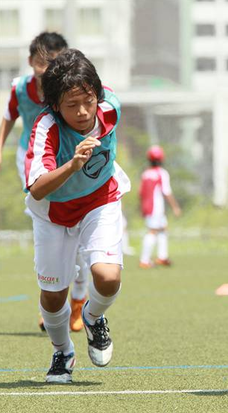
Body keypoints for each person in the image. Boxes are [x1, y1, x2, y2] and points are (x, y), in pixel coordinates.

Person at [25, 49, 131, 382]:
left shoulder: (110, 106)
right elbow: (38, 188)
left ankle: (93, 316)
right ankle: (62, 352)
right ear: (55, 106)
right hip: (53, 215)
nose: (83, 112)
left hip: (101, 200)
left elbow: (94, 93)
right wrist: (73, 163)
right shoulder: (46, 128)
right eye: (71, 106)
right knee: (54, 294)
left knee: (108, 276)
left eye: (88, 100)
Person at [0, 32, 90, 333]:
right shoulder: (20, 89)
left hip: (71, 161)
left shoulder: (70, 91)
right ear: (31, 63)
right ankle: (52, 300)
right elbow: (8, 117)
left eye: (53, 62)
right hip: (33, 166)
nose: (46, 69)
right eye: (41, 63)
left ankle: (79, 300)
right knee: (47, 224)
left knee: (77, 235)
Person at [139, 145, 181, 268]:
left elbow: (141, 193)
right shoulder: (162, 173)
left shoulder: (146, 174)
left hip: (148, 207)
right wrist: (175, 207)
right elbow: (166, 192)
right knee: (152, 231)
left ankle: (162, 257)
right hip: (156, 208)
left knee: (162, 228)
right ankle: (144, 260)